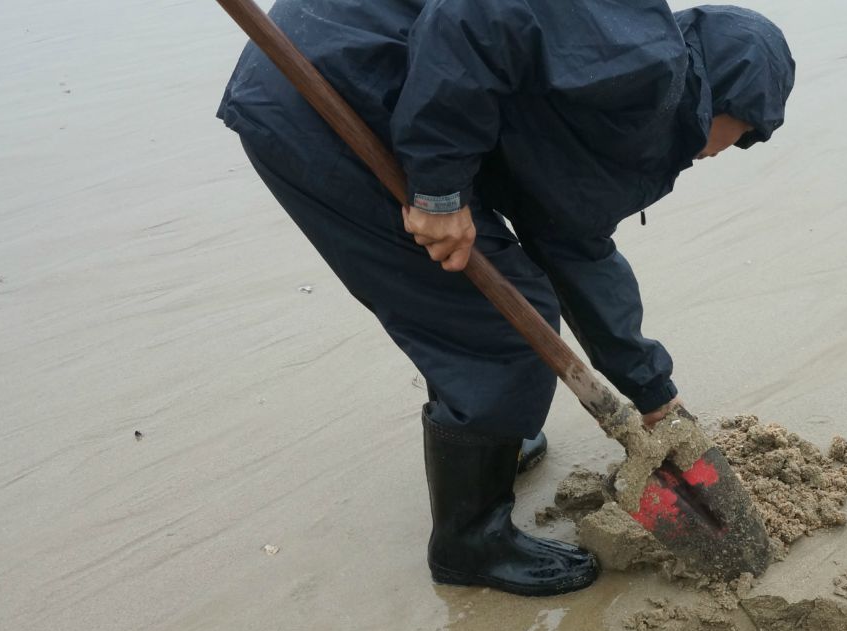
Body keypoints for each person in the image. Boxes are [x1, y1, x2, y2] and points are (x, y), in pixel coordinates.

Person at [217, 0, 795, 597]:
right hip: (328, 92)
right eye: (748, 133)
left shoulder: (630, 116)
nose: (732, 149)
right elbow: (474, 14)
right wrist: (440, 189)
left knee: (482, 305)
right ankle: (470, 542)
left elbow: (572, 245)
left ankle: (489, 446)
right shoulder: (641, 59)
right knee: (498, 326)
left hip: (377, 91)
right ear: (730, 94)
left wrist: (654, 394)